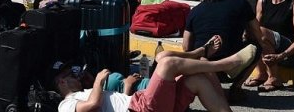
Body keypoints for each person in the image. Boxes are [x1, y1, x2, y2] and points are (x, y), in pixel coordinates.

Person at [55, 39, 258, 112]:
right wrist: (99, 82)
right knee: (166, 62)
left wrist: (126, 86)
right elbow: (91, 107)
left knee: (197, 78)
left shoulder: (83, 92)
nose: (77, 76)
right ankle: (228, 65)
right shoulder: (65, 105)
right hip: (140, 108)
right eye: (71, 74)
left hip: (139, 102)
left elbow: (116, 105)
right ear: (62, 81)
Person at [183, 0, 272, 101]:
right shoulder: (241, 4)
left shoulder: (195, 11)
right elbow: (258, 34)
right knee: (256, 47)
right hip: (230, 66)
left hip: (202, 67)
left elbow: (186, 46)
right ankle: (236, 87)